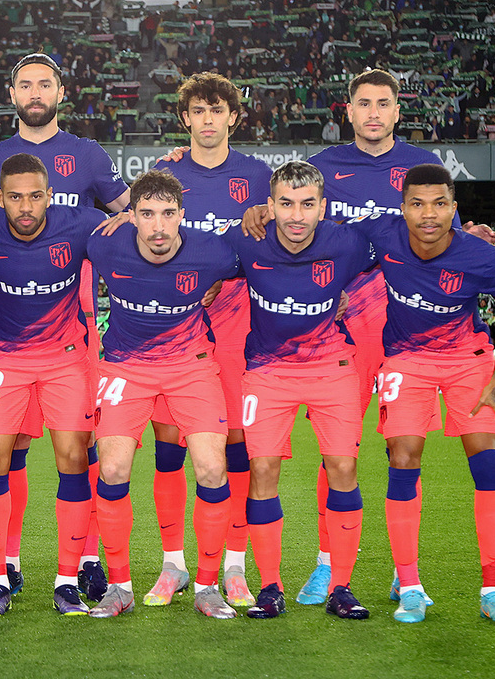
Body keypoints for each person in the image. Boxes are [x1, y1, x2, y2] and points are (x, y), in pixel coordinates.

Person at [244, 68, 495, 607]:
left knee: (402, 447)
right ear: (349, 110)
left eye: (384, 103)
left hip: (411, 322)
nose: (374, 113)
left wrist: (471, 232)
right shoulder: (323, 167)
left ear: (398, 111)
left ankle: (404, 574)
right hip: (349, 323)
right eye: (364, 103)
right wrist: (256, 209)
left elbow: (443, 231)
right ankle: (325, 565)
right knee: (339, 449)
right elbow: (288, 210)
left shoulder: (421, 166)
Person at [0, 51, 130, 599]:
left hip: (75, 327)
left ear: (60, 92)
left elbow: (130, 214)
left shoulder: (88, 153)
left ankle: (85, 560)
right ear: (11, 94)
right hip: (13, 326)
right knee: (8, 451)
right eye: (25, 84)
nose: (35, 93)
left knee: (81, 448)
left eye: (45, 84)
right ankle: (5, 564)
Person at [352, 164, 495, 624]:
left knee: (486, 461)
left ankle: (493, 591)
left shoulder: (483, 257)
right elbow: (322, 241)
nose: (428, 214)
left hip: (468, 357)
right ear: (403, 208)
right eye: (417, 204)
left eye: (439, 204)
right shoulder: (382, 235)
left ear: (454, 209)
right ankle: (409, 585)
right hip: (406, 359)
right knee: (403, 456)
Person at [86, 169, 237, 619]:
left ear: (182, 216)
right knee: (112, 468)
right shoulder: (103, 243)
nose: (158, 226)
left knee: (212, 467)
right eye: (147, 214)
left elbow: (275, 261)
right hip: (125, 367)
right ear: (131, 216)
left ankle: (207, 586)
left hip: (190, 366)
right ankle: (119, 587)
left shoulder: (213, 251)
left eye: (168, 213)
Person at [145, 73, 271, 608]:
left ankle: (235, 566)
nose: (208, 120)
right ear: (185, 119)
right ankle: (173, 563)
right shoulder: (165, 173)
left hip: (240, 321)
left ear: (233, 118)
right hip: (176, 324)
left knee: (237, 443)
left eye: (217, 110)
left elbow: (286, 235)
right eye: (198, 111)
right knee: (170, 442)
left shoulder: (258, 175)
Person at [0, 153, 108, 616]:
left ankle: (67, 581)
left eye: (35, 196)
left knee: (74, 456)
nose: (25, 207)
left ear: (50, 195)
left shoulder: (83, 224)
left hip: (66, 358)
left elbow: (137, 228)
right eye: (15, 197)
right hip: (5, 357)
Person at [232, 161, 373, 620]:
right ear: (270, 206)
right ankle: (270, 587)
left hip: (332, 368)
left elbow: (410, 241)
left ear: (323, 207)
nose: (297, 216)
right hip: (267, 372)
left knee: (342, 467)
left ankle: (341, 587)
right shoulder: (246, 240)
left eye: (307, 204)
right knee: (263, 470)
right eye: (287, 204)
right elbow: (186, 250)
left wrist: (463, 234)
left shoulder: (348, 243)